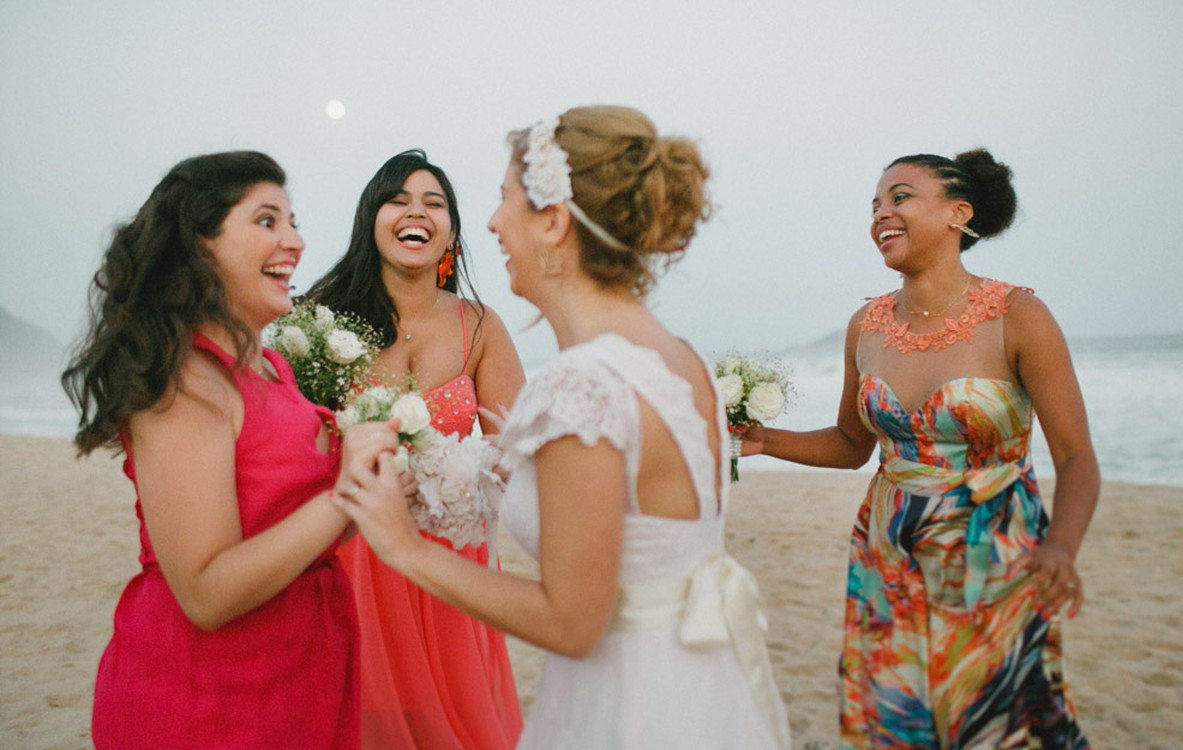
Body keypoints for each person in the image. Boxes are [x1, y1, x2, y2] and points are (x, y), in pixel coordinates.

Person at [330, 106, 791, 750]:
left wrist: (403, 547)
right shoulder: (680, 358)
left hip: (628, 712)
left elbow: (574, 623)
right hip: (700, 691)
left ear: (551, 222)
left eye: (504, 200)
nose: (490, 223)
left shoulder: (582, 385)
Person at [743, 149, 1097, 747]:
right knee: (895, 718)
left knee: (997, 721)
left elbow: (1075, 456)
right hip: (889, 559)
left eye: (900, 197)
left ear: (960, 213)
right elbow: (853, 444)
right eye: (874, 205)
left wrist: (1062, 546)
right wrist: (763, 440)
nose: (882, 213)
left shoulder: (1020, 315)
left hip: (993, 560)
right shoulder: (867, 326)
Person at [62, 151, 402, 748]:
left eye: (293, 221)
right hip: (210, 699)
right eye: (267, 221)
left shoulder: (272, 368)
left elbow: (296, 525)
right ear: (200, 247)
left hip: (298, 678)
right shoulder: (187, 381)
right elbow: (206, 591)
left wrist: (381, 484)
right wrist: (348, 492)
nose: (294, 240)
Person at [305, 149, 526, 749]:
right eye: (397, 199)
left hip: (454, 557)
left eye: (434, 203)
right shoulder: (321, 321)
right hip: (352, 548)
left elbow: (514, 451)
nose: (416, 212)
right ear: (371, 219)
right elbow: (291, 445)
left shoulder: (480, 326)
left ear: (451, 231)